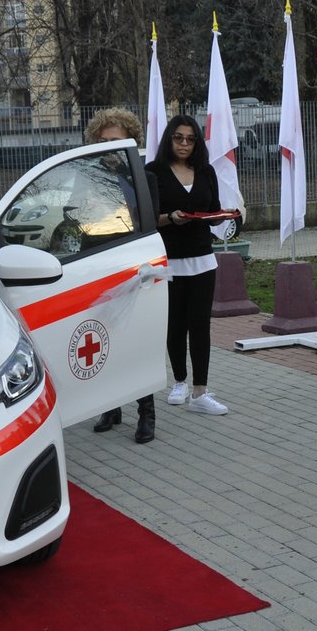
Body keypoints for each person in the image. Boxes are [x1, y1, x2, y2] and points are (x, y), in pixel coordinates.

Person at [85, 107, 161, 443]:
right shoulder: (86, 179)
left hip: (135, 268)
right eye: (103, 142)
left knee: (138, 341)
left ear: (131, 142)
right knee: (106, 339)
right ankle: (110, 406)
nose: (109, 148)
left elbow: (152, 224)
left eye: (116, 142)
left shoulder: (147, 179)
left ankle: (147, 412)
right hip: (98, 267)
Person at [147, 115, 231, 416]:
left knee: (200, 326)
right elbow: (146, 218)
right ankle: (179, 381)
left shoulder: (206, 171)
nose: (184, 144)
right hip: (168, 260)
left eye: (190, 139)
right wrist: (171, 218)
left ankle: (200, 391)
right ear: (169, 139)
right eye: (178, 138)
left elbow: (211, 210)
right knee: (175, 325)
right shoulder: (153, 172)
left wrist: (221, 216)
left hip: (202, 259)